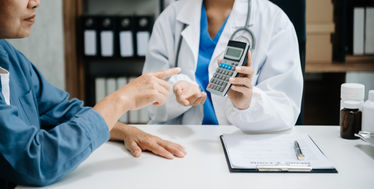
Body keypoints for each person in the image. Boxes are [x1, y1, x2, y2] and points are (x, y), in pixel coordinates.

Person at [0, 0, 186, 187]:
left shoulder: (9, 55)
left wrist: (125, 131)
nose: (35, 3)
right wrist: (121, 100)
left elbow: (60, 111)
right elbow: (34, 162)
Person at [143, 0, 303, 132]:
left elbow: (286, 110)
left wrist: (247, 103)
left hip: (243, 144)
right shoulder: (170, 18)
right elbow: (149, 103)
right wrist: (176, 92)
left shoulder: (275, 21)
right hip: (181, 144)